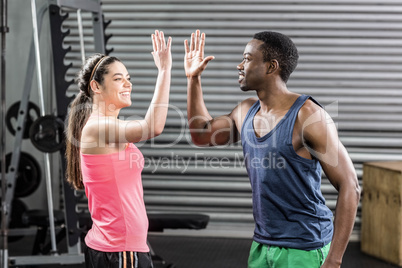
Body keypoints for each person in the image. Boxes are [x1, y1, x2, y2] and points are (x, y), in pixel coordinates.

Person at [184, 30, 360, 268]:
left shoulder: (308, 116)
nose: (239, 65)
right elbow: (202, 134)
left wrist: (334, 261)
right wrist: (193, 79)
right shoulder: (245, 111)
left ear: (271, 66)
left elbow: (350, 184)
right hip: (263, 244)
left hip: (304, 247)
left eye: (247, 59)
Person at [65, 30, 172, 268]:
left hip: (121, 247)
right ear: (96, 86)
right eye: (118, 79)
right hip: (119, 249)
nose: (128, 84)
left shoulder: (106, 127)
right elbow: (152, 126)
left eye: (128, 77)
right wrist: (164, 71)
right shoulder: (97, 128)